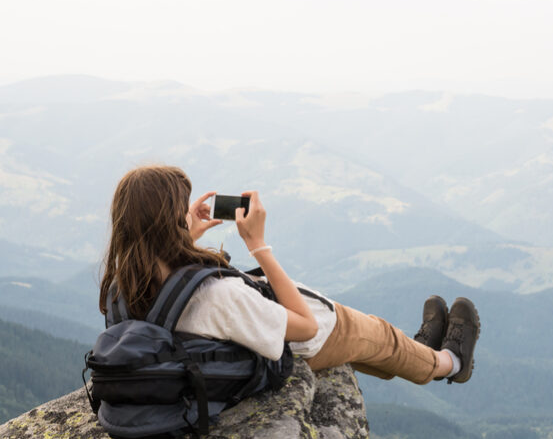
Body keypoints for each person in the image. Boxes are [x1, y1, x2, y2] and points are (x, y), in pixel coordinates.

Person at [99, 165, 480, 386]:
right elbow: (306, 327)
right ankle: (450, 362)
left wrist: (186, 238)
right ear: (167, 222)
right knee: (381, 338)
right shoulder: (218, 296)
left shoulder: (124, 282)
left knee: (385, 349)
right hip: (300, 341)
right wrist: (258, 247)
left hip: (231, 337)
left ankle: (422, 350)